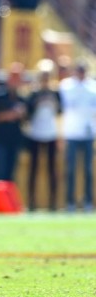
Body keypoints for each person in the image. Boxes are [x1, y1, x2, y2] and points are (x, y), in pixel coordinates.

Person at [58, 59, 96, 212]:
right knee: (71, 170)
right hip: (71, 132)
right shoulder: (65, 86)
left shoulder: (93, 86)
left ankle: (87, 201)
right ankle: (70, 202)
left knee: (88, 169)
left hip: (88, 133)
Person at [25, 60, 61, 211]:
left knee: (52, 169)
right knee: (33, 169)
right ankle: (31, 202)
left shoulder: (56, 93)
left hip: (51, 133)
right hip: (36, 133)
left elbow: (60, 112)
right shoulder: (33, 93)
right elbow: (27, 114)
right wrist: (37, 102)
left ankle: (53, 202)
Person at [0, 62, 27, 182]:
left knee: (11, 173)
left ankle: (7, 200)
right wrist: (12, 114)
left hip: (14, 139)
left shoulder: (21, 97)